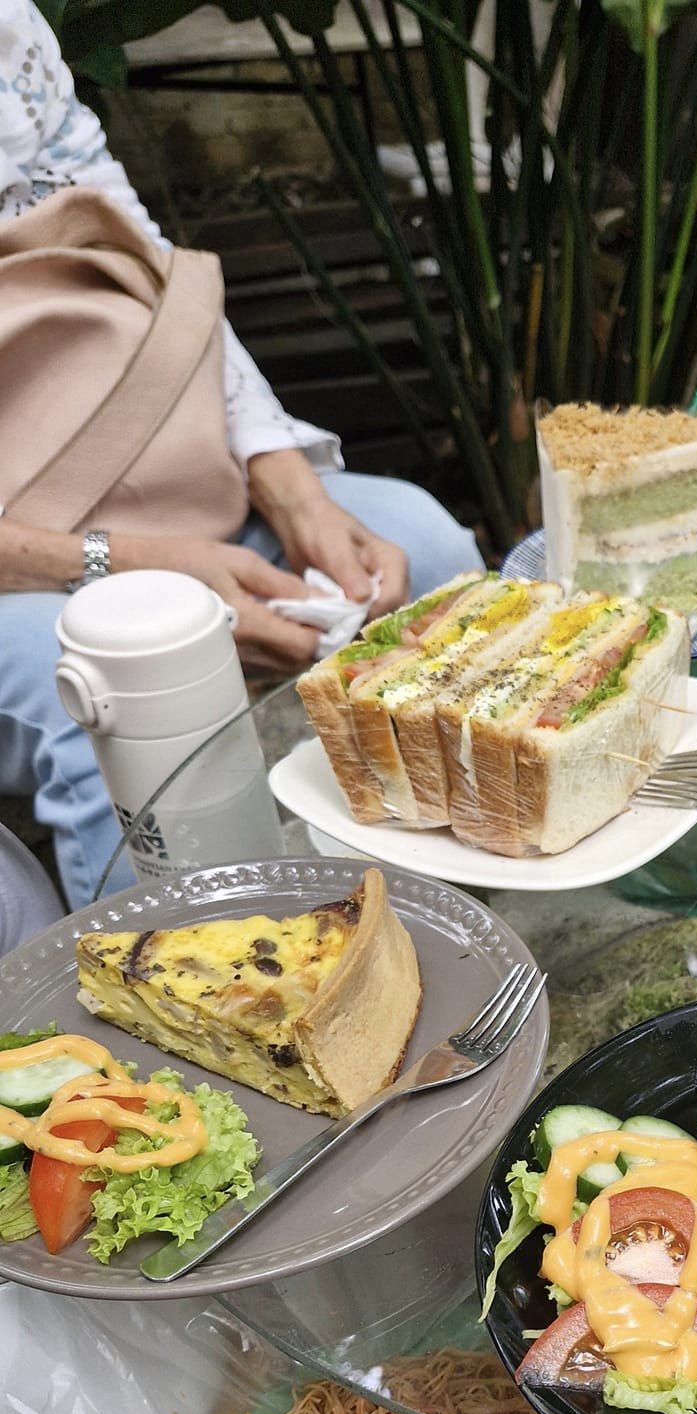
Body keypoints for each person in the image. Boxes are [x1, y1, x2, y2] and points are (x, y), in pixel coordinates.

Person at [0, 0, 483, 908]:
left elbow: (143, 257)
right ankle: (196, 992)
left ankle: (432, 919)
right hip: (25, 565)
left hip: (154, 473)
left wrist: (293, 487)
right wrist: (130, 567)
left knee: (432, 555)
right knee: (135, 673)